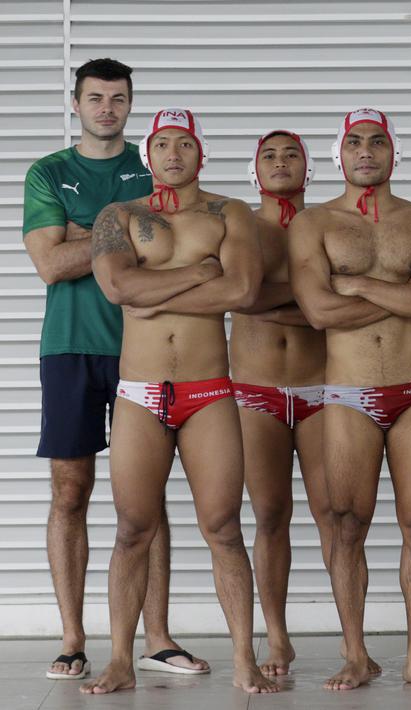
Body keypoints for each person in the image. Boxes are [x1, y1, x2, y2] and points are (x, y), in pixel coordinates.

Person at [22, 58, 206, 682]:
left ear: (131, 104)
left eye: (118, 98)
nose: (107, 108)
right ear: (76, 103)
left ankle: (156, 637)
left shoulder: (151, 165)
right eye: (95, 98)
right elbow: (49, 266)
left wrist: (90, 236)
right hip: (71, 346)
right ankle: (73, 638)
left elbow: (182, 247)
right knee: (69, 491)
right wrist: (125, 236)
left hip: (145, 348)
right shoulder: (49, 172)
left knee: (144, 498)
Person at [81, 108, 275, 694]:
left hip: (209, 390)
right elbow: (118, 289)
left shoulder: (229, 213)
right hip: (140, 393)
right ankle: (119, 658)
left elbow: (241, 289)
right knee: (132, 529)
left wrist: (153, 292)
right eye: (162, 143)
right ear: (148, 153)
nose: (173, 153)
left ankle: (244, 659)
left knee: (223, 526)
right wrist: (197, 274)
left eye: (184, 142)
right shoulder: (119, 216)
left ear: (201, 152)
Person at [289, 108, 411, 690]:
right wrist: (404, 294)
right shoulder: (313, 223)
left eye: (378, 142)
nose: (367, 152)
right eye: (356, 143)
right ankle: (356, 654)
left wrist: (359, 284)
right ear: (340, 154)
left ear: (395, 152)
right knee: (346, 525)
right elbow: (318, 312)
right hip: (347, 393)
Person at [230, 130, 334, 676]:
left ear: (308, 167)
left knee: (333, 517)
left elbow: (330, 310)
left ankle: (352, 643)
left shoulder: (329, 224)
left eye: (291, 153)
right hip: (255, 390)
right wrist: (308, 297)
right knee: (270, 515)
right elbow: (240, 296)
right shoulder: (240, 224)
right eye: (268, 155)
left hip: (320, 388)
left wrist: (274, 303)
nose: (280, 163)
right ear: (255, 170)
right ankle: (276, 638)